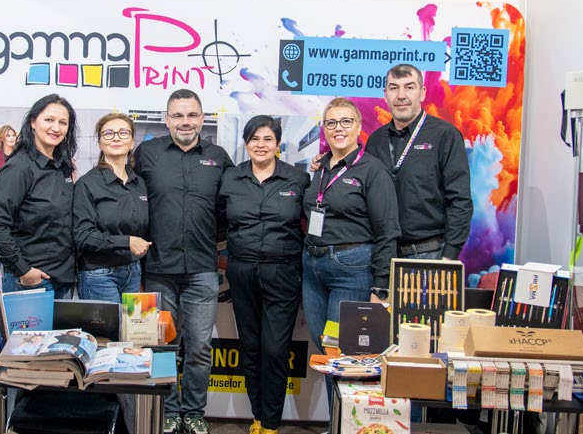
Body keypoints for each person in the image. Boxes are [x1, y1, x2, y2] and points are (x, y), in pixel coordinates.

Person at [134, 89, 233, 434]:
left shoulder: (219, 157)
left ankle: (193, 412)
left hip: (203, 269)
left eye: (191, 115)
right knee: (162, 344)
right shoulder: (147, 154)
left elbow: (230, 207)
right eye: (178, 115)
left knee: (200, 347)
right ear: (167, 120)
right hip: (157, 269)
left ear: (202, 118)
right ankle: (168, 410)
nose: (185, 122)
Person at [302, 98, 400, 408]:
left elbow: (388, 230)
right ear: (324, 129)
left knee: (345, 353)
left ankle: (345, 423)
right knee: (326, 348)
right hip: (313, 268)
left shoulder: (372, 171)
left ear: (358, 127)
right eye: (331, 122)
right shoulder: (320, 168)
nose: (338, 128)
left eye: (346, 121)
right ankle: (337, 421)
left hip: (351, 270)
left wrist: (380, 286)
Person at [218, 115, 309, 434]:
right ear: (245, 143)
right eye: (254, 139)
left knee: (275, 350)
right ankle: (258, 416)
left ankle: (271, 423)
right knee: (250, 347)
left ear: (278, 144)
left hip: (282, 272)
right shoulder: (231, 178)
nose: (261, 145)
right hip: (241, 271)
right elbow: (219, 219)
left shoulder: (297, 179)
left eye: (268, 139)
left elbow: (312, 222)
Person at [367, 63, 472, 260]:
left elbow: (460, 199)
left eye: (409, 87)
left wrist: (449, 256)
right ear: (385, 95)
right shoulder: (376, 140)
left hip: (430, 253)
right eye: (394, 88)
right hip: (383, 254)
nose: (401, 95)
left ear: (422, 93)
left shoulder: (445, 135)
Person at [0, 94, 79, 299]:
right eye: (49, 120)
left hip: (63, 278)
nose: (56, 128)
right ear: (33, 122)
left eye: (63, 123)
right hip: (32, 281)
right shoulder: (19, 167)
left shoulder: (62, 166)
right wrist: (24, 270)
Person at [74, 113, 152, 303]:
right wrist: (127, 242)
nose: (116, 138)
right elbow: (83, 236)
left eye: (123, 133)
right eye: (108, 133)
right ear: (100, 143)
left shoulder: (139, 183)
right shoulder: (88, 183)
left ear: (132, 142)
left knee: (132, 324)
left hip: (133, 272)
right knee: (107, 325)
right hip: (99, 275)